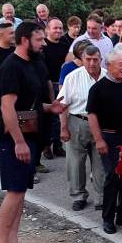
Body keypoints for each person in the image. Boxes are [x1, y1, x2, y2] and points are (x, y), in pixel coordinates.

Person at [0, 21, 67, 243]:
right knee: (14, 191)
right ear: (25, 40)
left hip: (31, 134)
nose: (43, 43)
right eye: (39, 39)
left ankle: (13, 242)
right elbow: (7, 107)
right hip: (13, 138)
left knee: (21, 191)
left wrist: (50, 107)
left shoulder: (35, 63)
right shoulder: (11, 67)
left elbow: (30, 104)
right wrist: (18, 141)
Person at [86, 50, 122, 234]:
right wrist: (98, 139)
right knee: (113, 178)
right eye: (121, 65)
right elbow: (91, 115)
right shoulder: (98, 89)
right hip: (109, 137)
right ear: (108, 66)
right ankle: (107, 218)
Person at [58, 45, 105, 211]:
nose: (92, 63)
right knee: (75, 162)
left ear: (100, 59)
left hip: (102, 124)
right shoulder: (73, 77)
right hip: (78, 121)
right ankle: (78, 195)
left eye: (95, 59)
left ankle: (102, 197)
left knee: (101, 163)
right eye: (88, 59)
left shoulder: (107, 76)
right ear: (82, 59)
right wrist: (63, 128)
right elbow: (62, 104)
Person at [42, 17, 70, 159]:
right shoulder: (43, 45)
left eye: (60, 28)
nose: (58, 30)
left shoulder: (65, 43)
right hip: (48, 84)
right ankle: (46, 146)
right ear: (47, 30)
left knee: (61, 117)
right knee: (49, 118)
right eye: (55, 28)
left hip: (62, 84)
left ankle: (58, 146)